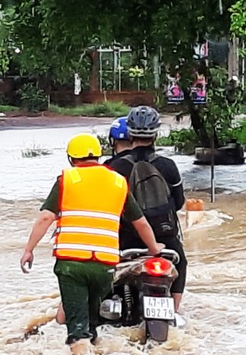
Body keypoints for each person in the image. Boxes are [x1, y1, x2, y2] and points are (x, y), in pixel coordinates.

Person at [20, 133, 164, 354]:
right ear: (98, 155)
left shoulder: (67, 180)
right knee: (91, 323)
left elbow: (45, 218)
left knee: (77, 331)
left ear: (71, 159)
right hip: (104, 267)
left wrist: (29, 250)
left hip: (71, 265)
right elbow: (140, 222)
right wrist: (154, 249)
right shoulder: (118, 182)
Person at [104, 106, 188, 325]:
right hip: (164, 238)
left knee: (104, 269)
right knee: (181, 263)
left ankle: (103, 308)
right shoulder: (168, 166)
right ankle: (175, 310)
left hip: (125, 239)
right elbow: (179, 203)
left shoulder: (113, 167)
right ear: (156, 134)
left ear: (130, 134)